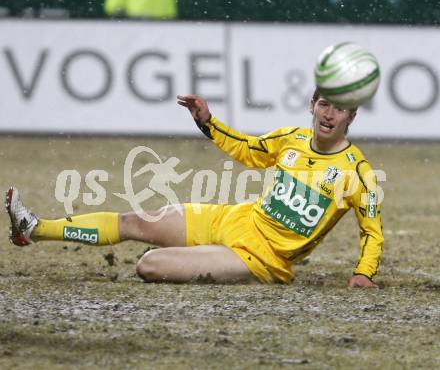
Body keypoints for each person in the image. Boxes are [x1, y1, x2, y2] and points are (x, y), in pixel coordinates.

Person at [6, 90, 384, 287]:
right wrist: (208, 122)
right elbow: (245, 148)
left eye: (338, 109)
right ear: (312, 106)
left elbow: (372, 231)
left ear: (352, 116)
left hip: (261, 259)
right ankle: (34, 229)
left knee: (149, 264)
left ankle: (207, 257)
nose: (328, 114)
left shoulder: (359, 174)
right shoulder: (292, 138)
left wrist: (364, 273)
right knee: (135, 221)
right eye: (323, 104)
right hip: (235, 220)